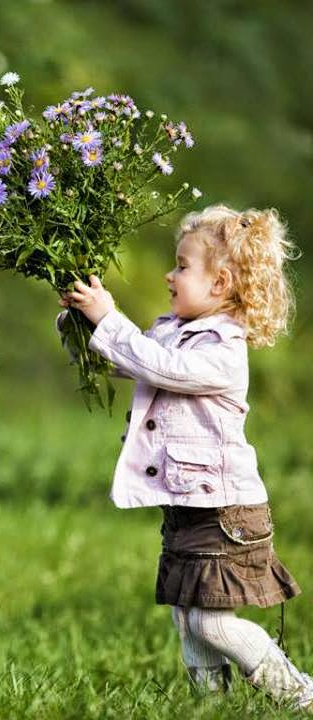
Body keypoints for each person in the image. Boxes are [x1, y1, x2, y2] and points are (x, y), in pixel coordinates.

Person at [59, 205, 311, 708]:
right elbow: (124, 361)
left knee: (208, 619)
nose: (168, 275)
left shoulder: (222, 351)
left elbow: (159, 366)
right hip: (191, 506)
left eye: (181, 265)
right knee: (185, 612)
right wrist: (77, 322)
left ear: (219, 283)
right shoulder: (173, 330)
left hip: (226, 513)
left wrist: (108, 316)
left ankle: (300, 695)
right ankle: (209, 705)